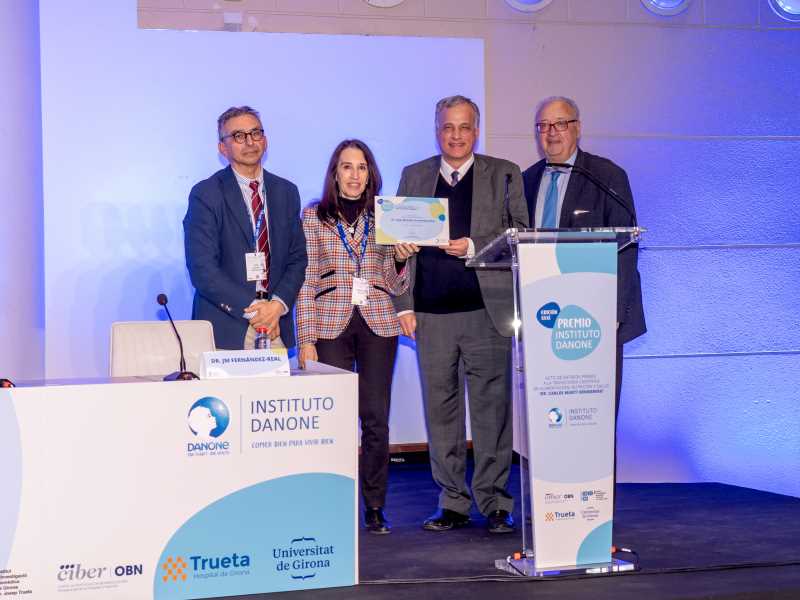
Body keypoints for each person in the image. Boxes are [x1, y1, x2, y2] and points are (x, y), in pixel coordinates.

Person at [392, 95, 529, 534]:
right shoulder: (414, 174)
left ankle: (494, 502)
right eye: (448, 127)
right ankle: (451, 501)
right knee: (441, 411)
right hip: (429, 314)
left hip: (484, 311)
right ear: (437, 129)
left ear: (477, 130)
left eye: (465, 127)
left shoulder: (504, 172)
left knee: (492, 411)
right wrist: (404, 303)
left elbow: (521, 235)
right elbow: (394, 248)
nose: (456, 135)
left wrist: (474, 246)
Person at [296, 139, 408, 535]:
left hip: (378, 322)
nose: (355, 175)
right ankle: (335, 503)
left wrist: (399, 257)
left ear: (371, 174)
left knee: (375, 418)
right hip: (329, 322)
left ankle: (374, 506)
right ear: (335, 173)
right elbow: (306, 281)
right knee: (334, 419)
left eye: (362, 167)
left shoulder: (388, 217)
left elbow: (395, 285)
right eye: (347, 167)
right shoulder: (313, 217)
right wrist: (305, 338)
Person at [522, 96, 646, 411]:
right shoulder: (526, 180)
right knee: (551, 419)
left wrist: (612, 315)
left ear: (577, 128)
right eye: (543, 125)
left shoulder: (606, 177)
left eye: (560, 123)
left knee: (595, 421)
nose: (551, 132)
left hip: (593, 320)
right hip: (544, 318)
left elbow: (626, 249)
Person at [184, 106, 307, 350]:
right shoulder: (207, 194)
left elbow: (297, 259)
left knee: (277, 390)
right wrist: (256, 311)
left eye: (256, 133)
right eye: (239, 136)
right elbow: (202, 268)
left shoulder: (286, 191)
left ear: (265, 139)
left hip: (274, 323)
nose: (249, 141)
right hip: (227, 327)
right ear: (222, 147)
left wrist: (276, 306)